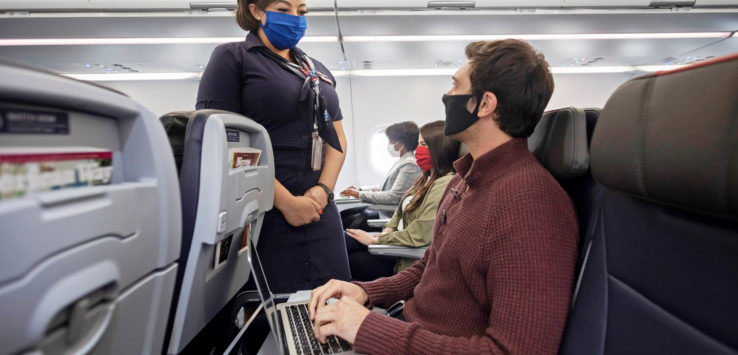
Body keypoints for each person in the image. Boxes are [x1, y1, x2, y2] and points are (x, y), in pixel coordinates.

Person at [307, 39, 579, 354]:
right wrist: (364, 293)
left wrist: (369, 329)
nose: (447, 96)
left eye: (455, 85)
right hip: (406, 329)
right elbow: (431, 267)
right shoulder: (464, 181)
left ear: (484, 104)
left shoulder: (530, 204)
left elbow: (513, 350)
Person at [196, 0, 350, 293]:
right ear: (256, 11)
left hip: (320, 212)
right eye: (284, 9)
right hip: (264, 214)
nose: (296, 18)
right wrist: (287, 203)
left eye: (302, 11)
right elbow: (222, 143)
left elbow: (338, 138)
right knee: (272, 312)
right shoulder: (233, 58)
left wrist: (323, 190)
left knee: (336, 305)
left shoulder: (316, 70)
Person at [344, 120, 459, 281]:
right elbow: (400, 212)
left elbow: (420, 234)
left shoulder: (443, 184)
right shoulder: (424, 177)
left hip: (403, 257)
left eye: (423, 145)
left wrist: (377, 239)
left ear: (439, 148)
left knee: (348, 258)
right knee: (344, 240)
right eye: (419, 144)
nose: (417, 150)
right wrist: (387, 230)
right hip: (395, 243)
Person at [340, 121, 422, 206]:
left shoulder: (410, 165)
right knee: (347, 214)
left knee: (350, 217)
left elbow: (394, 197)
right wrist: (360, 190)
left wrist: (358, 194)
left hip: (391, 212)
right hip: (384, 208)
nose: (389, 145)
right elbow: (384, 188)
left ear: (402, 143)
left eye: (391, 141)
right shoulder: (402, 161)